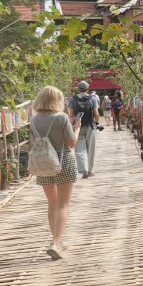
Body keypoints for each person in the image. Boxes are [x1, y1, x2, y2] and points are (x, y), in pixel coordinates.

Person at [30, 85, 79, 260]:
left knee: (52, 203)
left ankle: (56, 240)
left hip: (44, 164)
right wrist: (76, 129)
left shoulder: (34, 119)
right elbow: (71, 143)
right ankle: (56, 242)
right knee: (63, 204)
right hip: (63, 161)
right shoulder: (61, 117)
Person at [68, 80, 100, 178]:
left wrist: (73, 125)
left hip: (78, 125)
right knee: (90, 148)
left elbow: (71, 115)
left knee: (79, 148)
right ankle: (89, 171)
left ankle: (84, 169)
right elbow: (96, 114)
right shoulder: (93, 98)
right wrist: (97, 122)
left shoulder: (73, 99)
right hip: (90, 125)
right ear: (87, 88)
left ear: (78, 88)